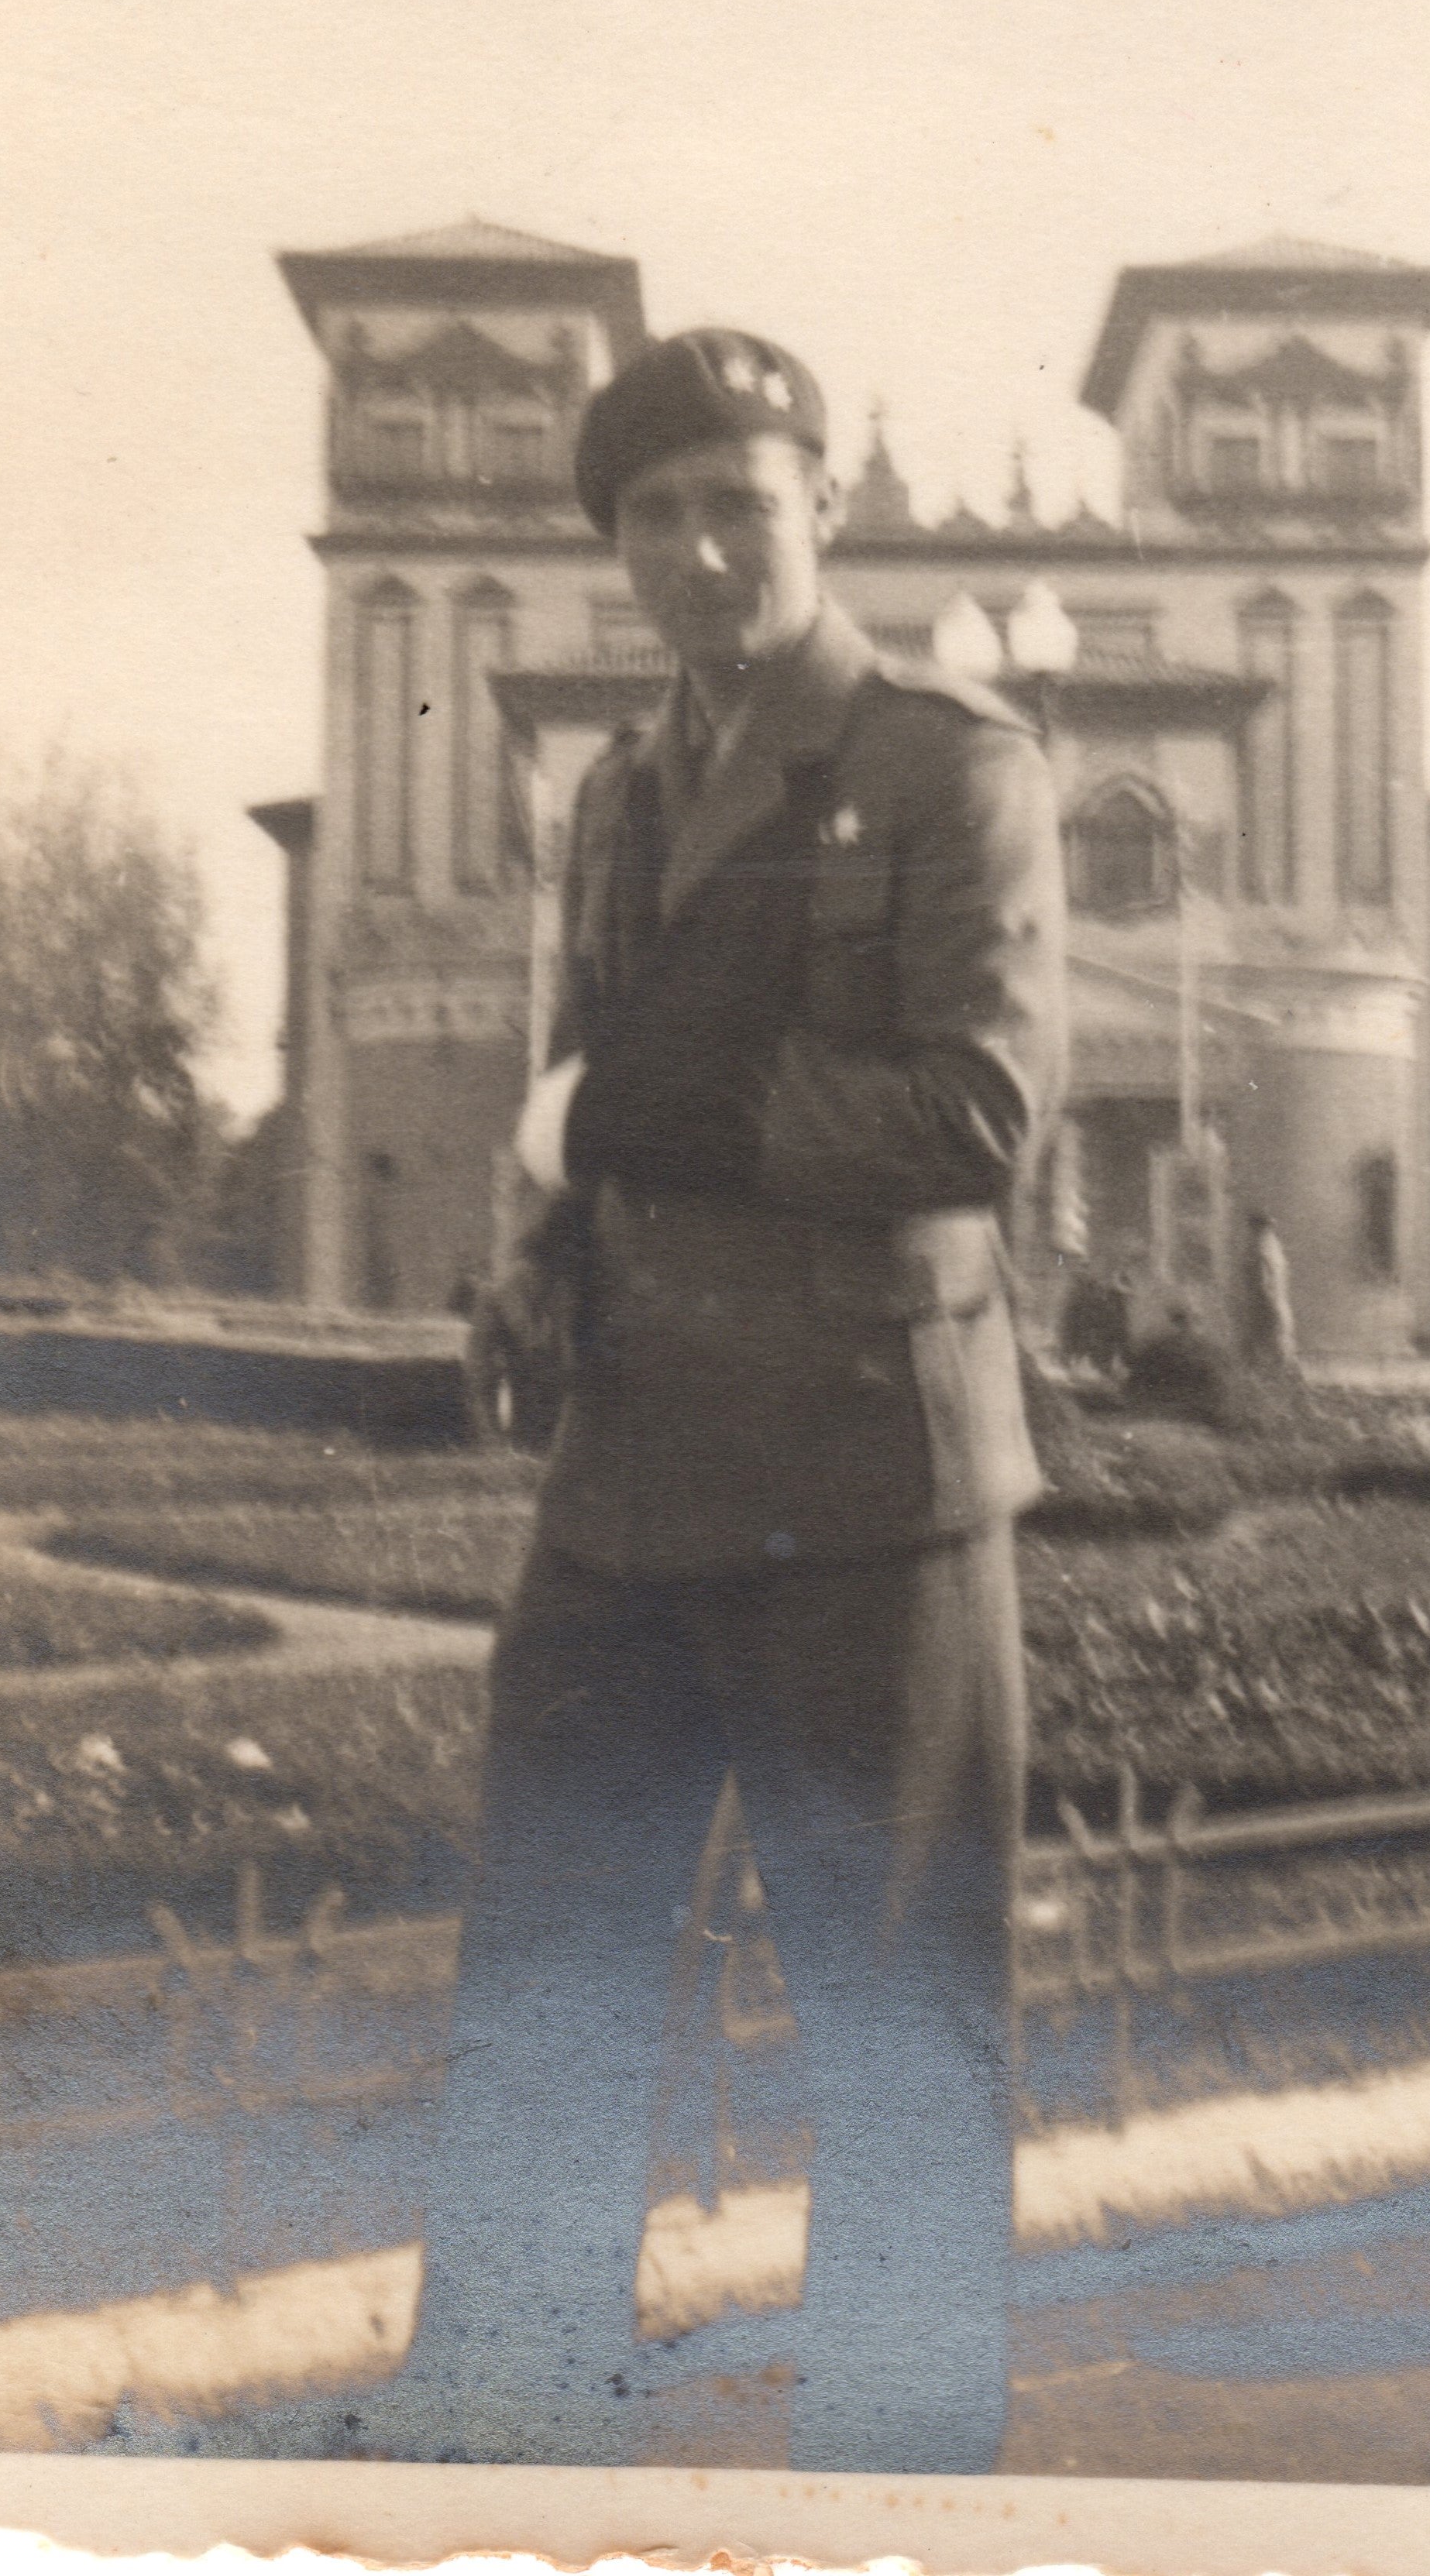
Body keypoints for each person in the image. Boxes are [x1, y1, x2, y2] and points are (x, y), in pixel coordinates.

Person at [398, 328, 1067, 2475]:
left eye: (737, 504)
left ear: (821, 507)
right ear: (616, 548)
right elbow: (573, 1093)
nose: (700, 551)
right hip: (625, 1471)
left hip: (867, 1487)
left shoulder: (950, 762)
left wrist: (639, 1113)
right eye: (654, 517)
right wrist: (527, 1253)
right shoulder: (614, 793)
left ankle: (896, 2488)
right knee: (548, 1978)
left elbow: (979, 1110)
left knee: (896, 2026)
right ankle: (494, 2448)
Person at [1243, 1207, 1299, 1369]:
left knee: (1268, 1341)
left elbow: (1264, 1281)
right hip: (1272, 1302)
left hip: (1266, 1303)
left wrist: (1268, 1302)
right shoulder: (1271, 1247)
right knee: (1274, 1340)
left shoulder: (1261, 1249)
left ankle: (1277, 1373)